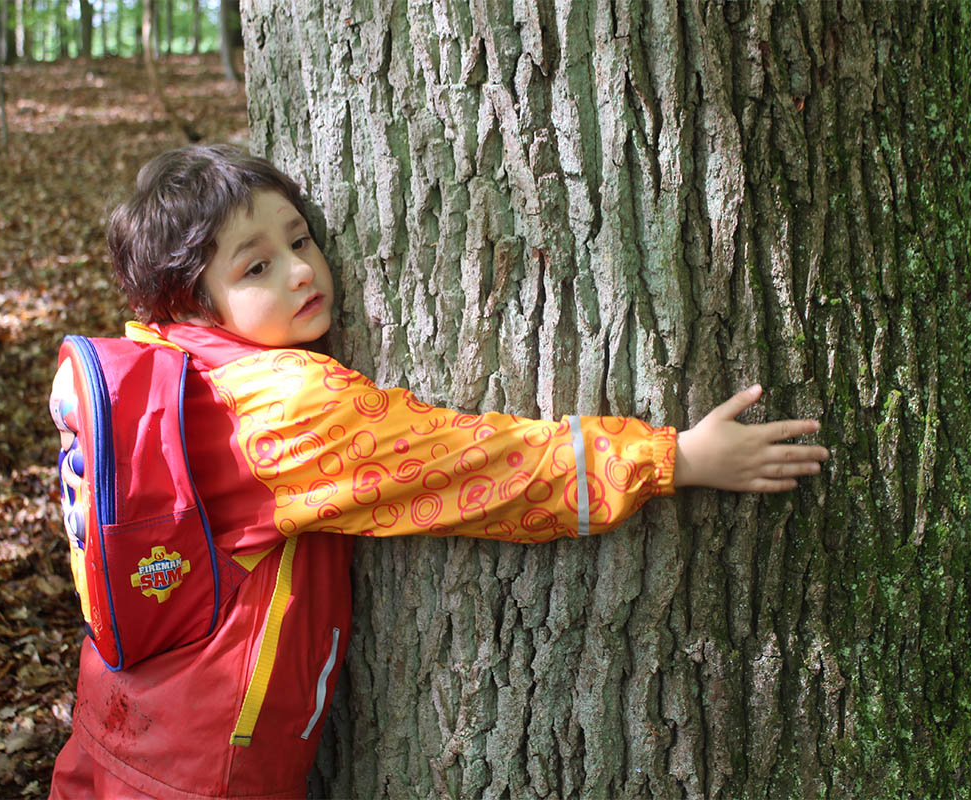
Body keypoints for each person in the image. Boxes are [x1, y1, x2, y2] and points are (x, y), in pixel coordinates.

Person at [48, 144, 829, 799]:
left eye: (301, 238)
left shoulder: (156, 376)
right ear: (191, 303)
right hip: (203, 776)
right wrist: (673, 458)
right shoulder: (281, 409)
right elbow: (476, 466)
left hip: (114, 734)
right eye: (256, 267)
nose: (299, 270)